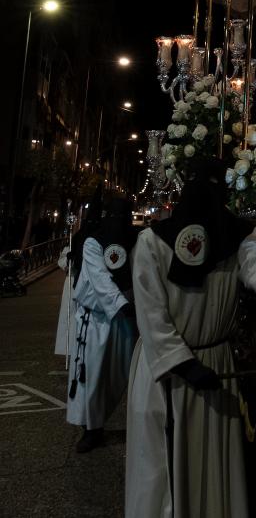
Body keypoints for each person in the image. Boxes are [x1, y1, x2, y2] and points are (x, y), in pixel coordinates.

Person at [125, 156, 256, 518]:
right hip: (167, 372)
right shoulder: (152, 242)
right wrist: (183, 364)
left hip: (214, 366)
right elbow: (151, 315)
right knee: (162, 473)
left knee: (212, 467)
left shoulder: (236, 237)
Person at [66, 187, 138, 452]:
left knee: (123, 375)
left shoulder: (136, 240)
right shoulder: (92, 243)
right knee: (92, 378)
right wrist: (122, 304)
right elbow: (100, 280)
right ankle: (91, 428)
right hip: (97, 320)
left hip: (124, 320)